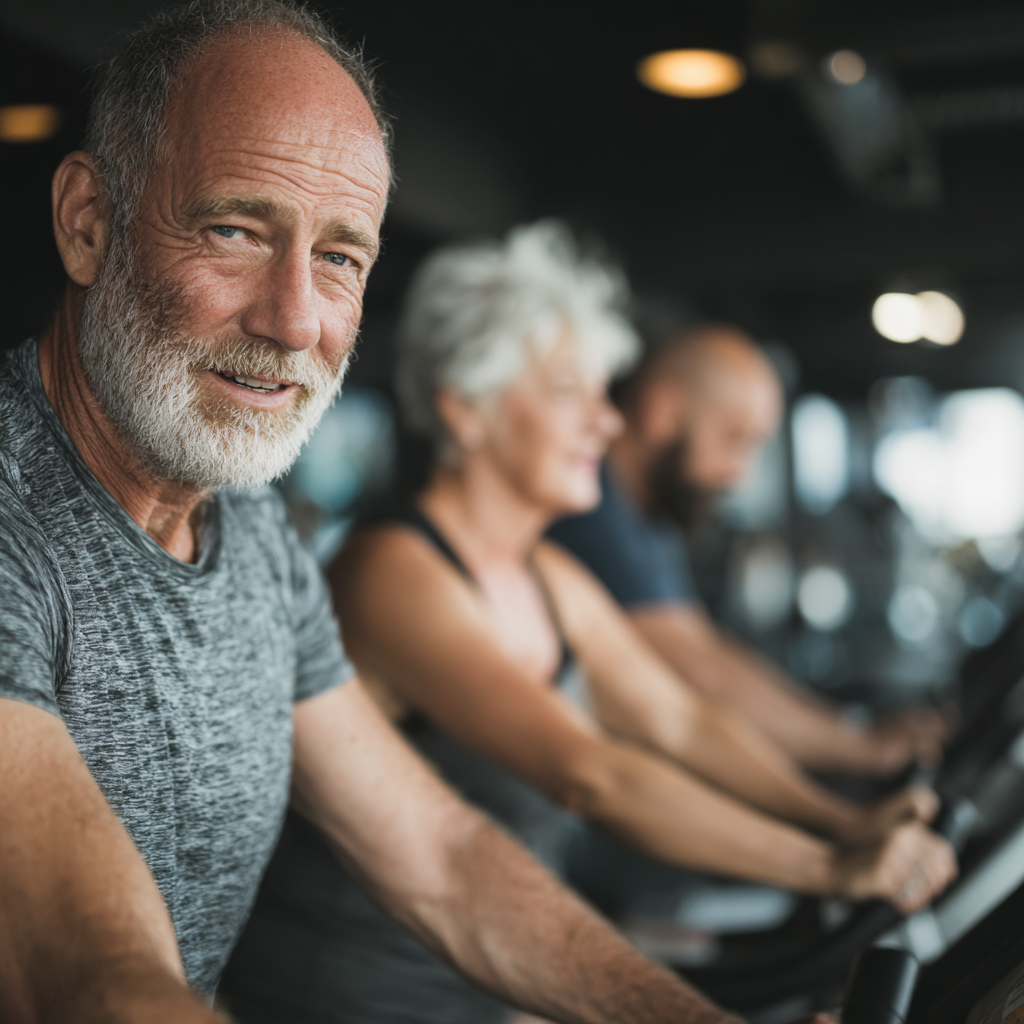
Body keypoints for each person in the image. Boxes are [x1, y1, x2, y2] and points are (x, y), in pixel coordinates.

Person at [0, 5, 789, 1024]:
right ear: (87, 223)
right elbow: (100, 979)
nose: (294, 320)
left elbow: (443, 860)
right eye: (234, 230)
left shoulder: (255, 544)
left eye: (339, 258)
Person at [218, 222, 956, 1024]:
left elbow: (678, 719)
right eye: (571, 391)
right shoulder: (393, 573)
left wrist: (842, 820)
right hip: (347, 1002)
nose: (607, 425)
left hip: (491, 990)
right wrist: (829, 866)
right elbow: (593, 774)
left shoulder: (549, 573)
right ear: (465, 409)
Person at [549, 324, 947, 776]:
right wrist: (858, 746)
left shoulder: (650, 509)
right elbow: (695, 671)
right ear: (663, 412)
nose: (739, 474)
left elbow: (702, 644)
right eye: (736, 441)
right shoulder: (589, 503)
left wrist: (849, 727)